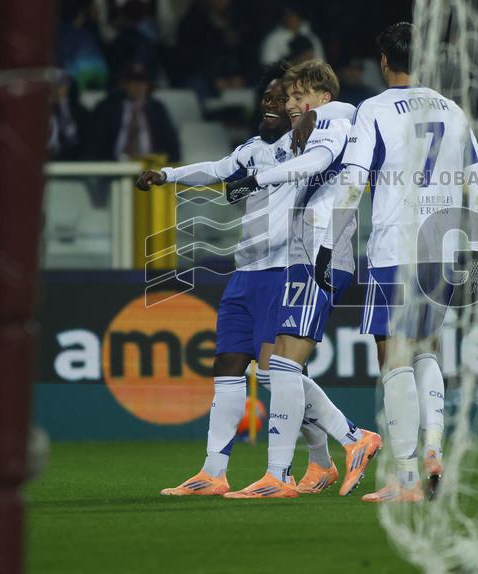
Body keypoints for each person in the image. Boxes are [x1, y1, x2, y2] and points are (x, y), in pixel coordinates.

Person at [138, 64, 365, 496]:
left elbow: (321, 162)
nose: (277, 106)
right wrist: (168, 175)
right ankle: (213, 471)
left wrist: (257, 180)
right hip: (247, 269)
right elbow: (219, 168)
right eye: (270, 99)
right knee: (230, 365)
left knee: (276, 370)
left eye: (287, 99)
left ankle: (320, 456)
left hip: (287, 264)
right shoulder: (254, 149)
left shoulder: (311, 145)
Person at [319, 23, 478, 502]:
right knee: (427, 349)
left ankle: (408, 478)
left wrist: (330, 244)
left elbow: (354, 182)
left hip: (396, 246)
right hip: (442, 246)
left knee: (392, 356)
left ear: (383, 60)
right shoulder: (452, 109)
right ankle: (435, 450)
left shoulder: (373, 110)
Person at [222, 59, 382, 500]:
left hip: (321, 251)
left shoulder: (335, 117)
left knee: (284, 366)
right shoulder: (319, 124)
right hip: (305, 252)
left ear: (322, 97)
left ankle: (293, 469)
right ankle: (327, 456)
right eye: (288, 98)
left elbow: (316, 162)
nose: (291, 105)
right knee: (279, 367)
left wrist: (254, 178)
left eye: (298, 98)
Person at [87, 62, 179, 161]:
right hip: (112, 168)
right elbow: (94, 144)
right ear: (124, 84)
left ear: (148, 85)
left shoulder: (157, 109)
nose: (138, 86)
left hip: (150, 168)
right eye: (133, 81)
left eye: (142, 81)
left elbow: (172, 147)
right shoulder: (107, 108)